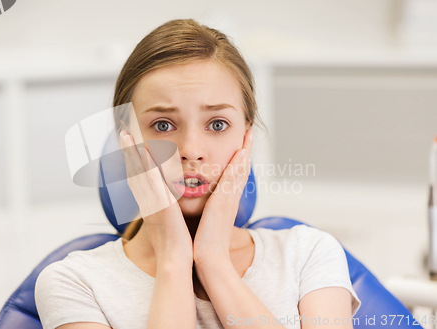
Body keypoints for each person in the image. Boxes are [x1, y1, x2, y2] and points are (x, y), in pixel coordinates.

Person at [34, 18, 361, 329]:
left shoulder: (309, 253)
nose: (191, 149)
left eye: (217, 124)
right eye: (163, 125)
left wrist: (214, 263)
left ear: (247, 134)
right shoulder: (74, 282)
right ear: (125, 139)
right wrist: (174, 259)